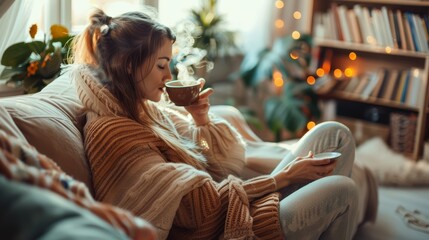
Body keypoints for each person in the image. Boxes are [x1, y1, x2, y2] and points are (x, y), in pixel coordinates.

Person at [70, 8, 377, 240]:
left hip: (238, 207)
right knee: (342, 190)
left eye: (169, 64)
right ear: (128, 66)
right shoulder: (110, 131)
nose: (168, 75)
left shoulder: (144, 110)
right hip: (230, 227)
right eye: (161, 65)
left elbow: (215, 165)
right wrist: (282, 178)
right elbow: (196, 212)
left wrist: (201, 120)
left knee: (334, 133)